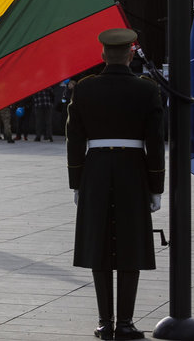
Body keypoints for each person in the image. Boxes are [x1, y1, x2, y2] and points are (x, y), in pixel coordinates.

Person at [66, 28, 164, 340]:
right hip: (131, 170)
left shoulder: (84, 89)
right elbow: (155, 142)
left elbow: (74, 140)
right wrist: (156, 186)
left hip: (95, 169)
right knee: (130, 243)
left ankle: (104, 323)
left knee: (99, 246)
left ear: (102, 54)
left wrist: (77, 182)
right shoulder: (146, 90)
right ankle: (124, 323)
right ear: (131, 53)